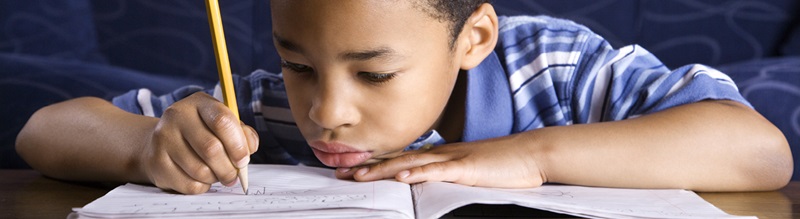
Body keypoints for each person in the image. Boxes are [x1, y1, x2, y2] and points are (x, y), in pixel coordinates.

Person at [16, 0, 792, 195]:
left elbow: (759, 151)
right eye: (297, 60)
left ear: (474, 40)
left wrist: (533, 155)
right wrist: (142, 144)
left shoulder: (553, 70)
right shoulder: (266, 108)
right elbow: (44, 131)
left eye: (375, 73)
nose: (326, 110)